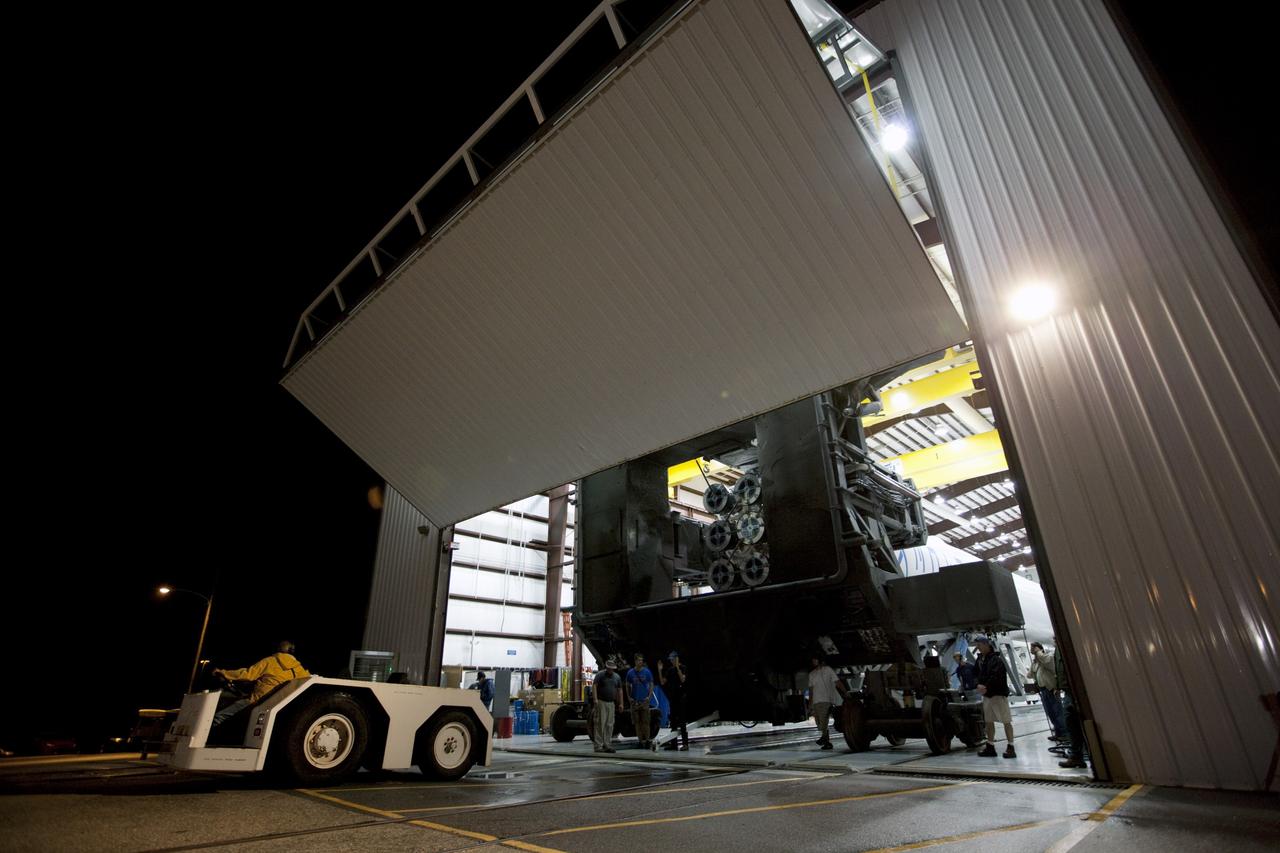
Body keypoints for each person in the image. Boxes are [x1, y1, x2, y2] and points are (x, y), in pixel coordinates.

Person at [212, 641, 310, 726]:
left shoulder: (270, 661)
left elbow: (248, 674)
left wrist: (224, 673)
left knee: (218, 717)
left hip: (259, 701)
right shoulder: (299, 669)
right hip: (279, 705)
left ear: (278, 649)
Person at [972, 636, 1016, 758]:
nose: (978, 647)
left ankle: (1011, 747)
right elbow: (975, 673)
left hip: (997, 694)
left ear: (987, 645)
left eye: (979, 644)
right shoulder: (980, 659)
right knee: (989, 721)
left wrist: (985, 686)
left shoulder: (996, 660)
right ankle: (990, 746)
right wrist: (978, 685)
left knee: (1006, 721)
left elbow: (997, 676)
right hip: (987, 695)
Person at [1055, 648, 1088, 769]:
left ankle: (1078, 755)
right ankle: (1076, 755)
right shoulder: (1058, 648)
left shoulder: (1065, 644)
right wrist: (1058, 686)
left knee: (1074, 723)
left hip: (1074, 688)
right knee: (1071, 723)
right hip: (1067, 689)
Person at [1027, 642, 1066, 741]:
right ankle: (1058, 732)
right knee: (1050, 712)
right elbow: (1030, 675)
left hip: (1051, 689)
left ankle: (1064, 733)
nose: (1032, 650)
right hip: (1043, 690)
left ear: (1039, 648)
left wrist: (1039, 653)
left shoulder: (1047, 657)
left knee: (1057, 711)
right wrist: (1034, 663)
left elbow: (1047, 661)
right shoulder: (1036, 662)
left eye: (1034, 648)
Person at [809, 655, 848, 750]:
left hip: (825, 699)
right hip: (816, 701)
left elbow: (837, 682)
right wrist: (810, 703)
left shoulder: (827, 670)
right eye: (813, 660)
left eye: (815, 659)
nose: (813, 661)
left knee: (823, 721)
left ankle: (824, 739)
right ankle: (826, 741)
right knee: (820, 722)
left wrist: (845, 692)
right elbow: (811, 690)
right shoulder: (812, 674)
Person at [658, 651, 689, 750]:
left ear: (676, 659)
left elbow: (682, 679)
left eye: (672, 659)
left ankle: (685, 744)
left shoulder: (683, 668)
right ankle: (674, 744)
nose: (671, 661)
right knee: (673, 722)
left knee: (682, 722)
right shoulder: (670, 670)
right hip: (673, 698)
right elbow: (663, 682)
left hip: (681, 698)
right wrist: (660, 670)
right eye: (671, 660)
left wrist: (678, 667)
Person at [592, 658, 623, 753]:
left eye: (612, 668)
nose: (610, 670)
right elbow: (594, 686)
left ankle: (607, 744)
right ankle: (598, 746)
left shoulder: (617, 677)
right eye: (609, 668)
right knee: (600, 724)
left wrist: (621, 703)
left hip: (611, 703)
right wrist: (595, 699)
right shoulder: (600, 675)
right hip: (602, 702)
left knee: (609, 724)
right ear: (606, 667)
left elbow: (620, 690)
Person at [625, 653, 655, 748]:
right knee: (637, 722)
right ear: (635, 661)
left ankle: (647, 740)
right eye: (639, 660)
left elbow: (651, 684)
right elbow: (627, 685)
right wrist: (629, 697)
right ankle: (640, 741)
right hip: (635, 702)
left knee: (646, 722)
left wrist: (649, 696)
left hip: (644, 701)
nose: (640, 662)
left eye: (642, 660)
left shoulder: (647, 672)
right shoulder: (630, 673)